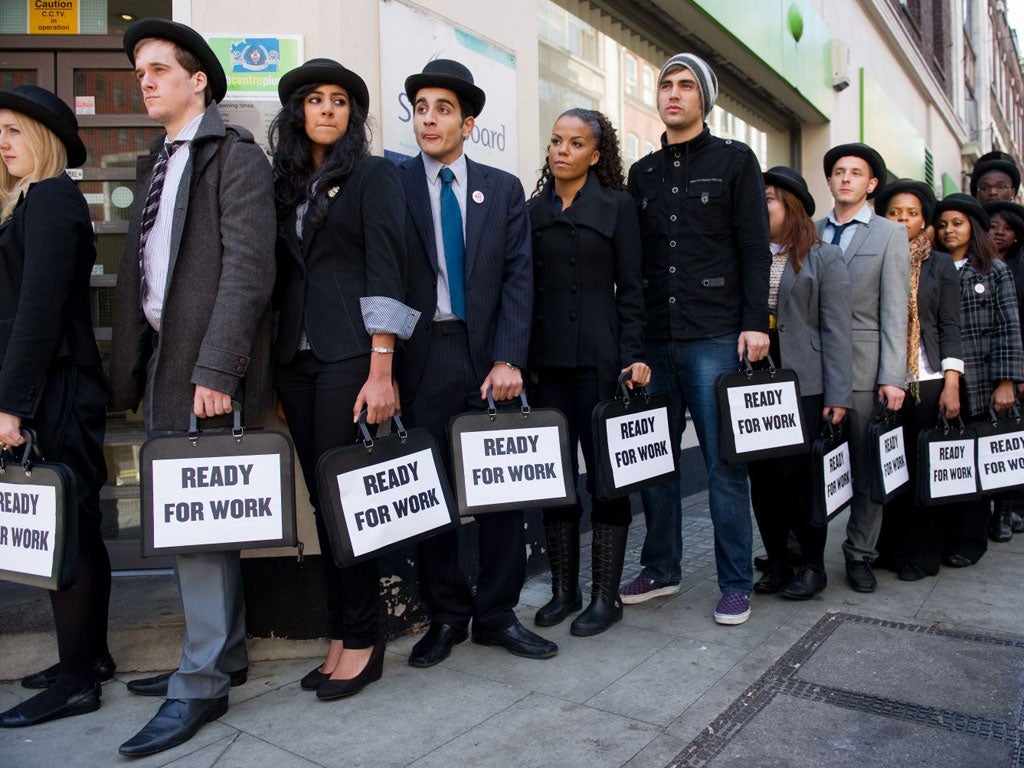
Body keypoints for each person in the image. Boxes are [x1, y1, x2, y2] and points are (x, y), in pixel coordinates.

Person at [109, 19, 275, 756]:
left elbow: (248, 270)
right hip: (163, 362)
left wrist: (217, 370)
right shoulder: (160, 157)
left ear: (198, 79)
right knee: (194, 526)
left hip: (203, 368)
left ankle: (201, 680)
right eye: (140, 70)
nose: (144, 80)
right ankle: (223, 652)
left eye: (157, 69)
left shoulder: (232, 157)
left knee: (198, 530)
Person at [396, 59, 556, 664]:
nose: (429, 118)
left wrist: (509, 357)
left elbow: (520, 277)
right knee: (428, 488)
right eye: (421, 107)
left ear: (469, 122)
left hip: (489, 354)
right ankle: (446, 614)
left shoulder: (503, 187)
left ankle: (495, 612)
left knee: (501, 489)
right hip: (424, 353)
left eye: (443, 109)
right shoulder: (396, 183)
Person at [269, 58, 417, 699]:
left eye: (339, 100)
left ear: (352, 115)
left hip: (350, 358)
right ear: (298, 112)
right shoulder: (286, 183)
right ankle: (340, 631)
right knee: (321, 506)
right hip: (295, 362)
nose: (327, 109)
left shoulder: (373, 174)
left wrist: (381, 367)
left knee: (346, 503)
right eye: (314, 99)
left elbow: (388, 266)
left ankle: (364, 639)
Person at [620, 53, 771, 626]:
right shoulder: (644, 174)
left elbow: (755, 249)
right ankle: (662, 567)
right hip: (657, 338)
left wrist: (754, 323)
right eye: (666, 85)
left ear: (704, 99)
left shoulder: (735, 161)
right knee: (654, 460)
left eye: (686, 86)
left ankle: (735, 582)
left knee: (723, 465)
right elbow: (634, 268)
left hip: (716, 335)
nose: (674, 94)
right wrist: (634, 346)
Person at [0, 87, 112, 728]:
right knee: (78, 526)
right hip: (57, 386)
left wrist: (10, 405)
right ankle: (88, 660)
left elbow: (36, 314)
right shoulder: (36, 202)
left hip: (55, 389)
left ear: (43, 139)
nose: (6, 144)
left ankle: (75, 681)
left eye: (16, 131)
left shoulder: (48, 200)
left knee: (63, 529)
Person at [527, 108, 648, 635]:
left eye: (575, 144)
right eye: (556, 141)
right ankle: (562, 591)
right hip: (545, 365)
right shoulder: (531, 211)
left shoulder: (618, 207)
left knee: (605, 480)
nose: (561, 150)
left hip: (602, 362)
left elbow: (634, 289)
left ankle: (605, 597)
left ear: (595, 155)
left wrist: (634, 356)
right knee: (555, 481)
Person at [747, 167, 851, 600]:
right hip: (753, 388)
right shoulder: (746, 254)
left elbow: (837, 330)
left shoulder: (824, 256)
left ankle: (811, 567)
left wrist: (838, 395)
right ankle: (778, 561)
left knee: (802, 480)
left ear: (790, 206)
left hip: (806, 385)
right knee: (764, 480)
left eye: (767, 198)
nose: (759, 205)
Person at [816, 143, 910, 594]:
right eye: (838, 171)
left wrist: (893, 376)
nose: (846, 178)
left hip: (865, 369)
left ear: (871, 184)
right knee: (811, 466)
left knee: (865, 466)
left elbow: (896, 310)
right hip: (814, 371)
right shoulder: (810, 233)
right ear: (830, 181)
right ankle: (801, 551)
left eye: (856, 173)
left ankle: (859, 555)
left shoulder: (890, 234)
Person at [873, 180, 963, 580]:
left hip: (925, 380)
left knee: (922, 469)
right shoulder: (875, 256)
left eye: (911, 213)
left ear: (923, 218)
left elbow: (950, 325)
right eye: (895, 212)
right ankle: (888, 548)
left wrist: (951, 383)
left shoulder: (939, 264)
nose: (903, 220)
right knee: (890, 468)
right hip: (884, 380)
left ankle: (921, 554)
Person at [933, 193, 1023, 568]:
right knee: (946, 460)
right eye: (942, 224)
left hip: (982, 380)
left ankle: (971, 542)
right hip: (939, 378)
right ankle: (943, 536)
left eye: (958, 223)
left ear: (973, 227)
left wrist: (1006, 381)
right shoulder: (932, 267)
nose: (949, 230)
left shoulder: (993, 269)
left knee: (976, 461)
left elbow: (1008, 326)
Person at [985, 200, 1024, 540]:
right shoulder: (980, 264)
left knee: (1006, 444)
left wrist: (1015, 374)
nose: (998, 233)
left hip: (1012, 368)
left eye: (1006, 228)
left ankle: (1005, 511)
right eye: (992, 226)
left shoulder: (1014, 268)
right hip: (981, 367)